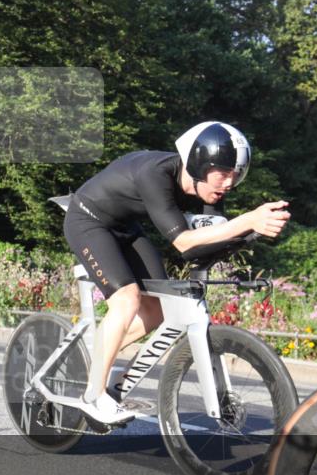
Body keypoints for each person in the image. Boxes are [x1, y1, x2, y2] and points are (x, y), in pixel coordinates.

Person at [63, 121, 290, 425]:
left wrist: (249, 233)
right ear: (198, 164)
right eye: (223, 174)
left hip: (125, 228)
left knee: (158, 310)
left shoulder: (208, 191)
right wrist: (248, 219)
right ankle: (94, 395)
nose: (229, 184)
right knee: (127, 300)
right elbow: (182, 241)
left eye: (235, 176)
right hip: (88, 220)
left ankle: (100, 362)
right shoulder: (154, 175)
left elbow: (204, 244)